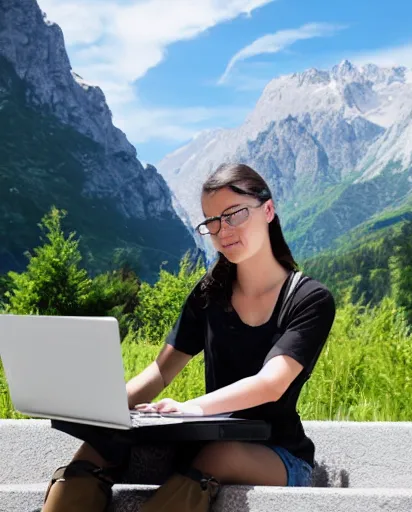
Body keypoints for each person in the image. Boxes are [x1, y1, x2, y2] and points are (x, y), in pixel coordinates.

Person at [42, 163, 336, 512]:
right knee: (96, 448)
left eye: (233, 215)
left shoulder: (309, 299)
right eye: (211, 221)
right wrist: (105, 408)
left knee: (219, 453)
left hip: (280, 456)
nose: (221, 230)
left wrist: (192, 408)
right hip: (206, 445)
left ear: (268, 210)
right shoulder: (209, 293)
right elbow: (161, 371)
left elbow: (270, 383)